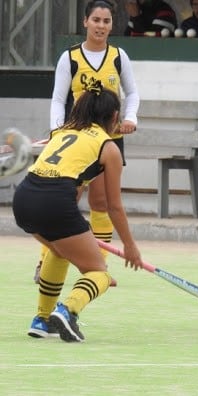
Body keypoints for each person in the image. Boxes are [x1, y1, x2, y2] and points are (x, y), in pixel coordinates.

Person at [13, 79, 143, 342]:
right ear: (115, 116)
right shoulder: (108, 147)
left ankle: (43, 319)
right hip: (54, 201)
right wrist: (130, 246)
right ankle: (68, 310)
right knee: (99, 273)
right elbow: (112, 206)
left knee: (58, 251)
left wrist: (72, 230)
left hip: (24, 198)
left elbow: (72, 186)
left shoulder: (61, 132)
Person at [33, 0, 140, 284]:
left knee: (102, 201)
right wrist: (58, 130)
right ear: (85, 22)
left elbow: (132, 94)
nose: (101, 26)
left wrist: (131, 118)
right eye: (96, 20)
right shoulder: (69, 57)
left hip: (108, 140)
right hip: (76, 139)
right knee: (67, 198)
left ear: (111, 25)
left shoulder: (119, 56)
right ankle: (46, 259)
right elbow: (58, 99)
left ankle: (98, 266)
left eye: (106, 21)